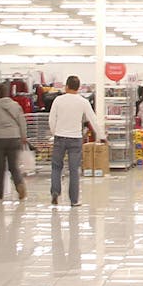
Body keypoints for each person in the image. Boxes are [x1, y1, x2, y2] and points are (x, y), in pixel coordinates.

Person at [48, 75, 103, 207]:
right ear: (78, 88)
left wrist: (55, 132)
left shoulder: (58, 100)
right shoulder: (83, 101)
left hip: (59, 137)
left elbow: (51, 119)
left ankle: (55, 192)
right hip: (75, 139)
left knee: (56, 167)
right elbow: (93, 119)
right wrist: (101, 136)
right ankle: (74, 200)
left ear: (66, 86)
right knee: (74, 170)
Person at [0, 82, 28, 201]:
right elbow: (22, 122)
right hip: (14, 138)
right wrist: (23, 137)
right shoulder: (15, 105)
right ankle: (19, 184)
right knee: (14, 166)